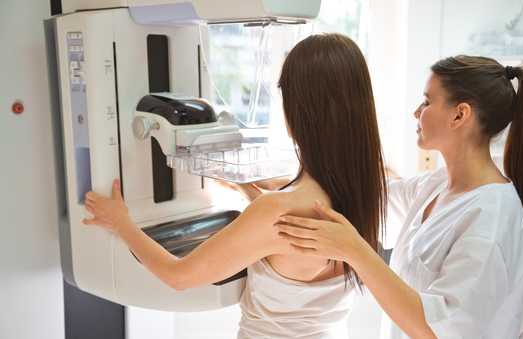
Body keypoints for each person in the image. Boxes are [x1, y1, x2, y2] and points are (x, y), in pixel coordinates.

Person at [82, 33, 387, 339]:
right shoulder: (362, 194)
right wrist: (245, 187)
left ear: (300, 111)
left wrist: (121, 223)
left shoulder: (276, 211)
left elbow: (179, 276)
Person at [276, 56, 523, 339]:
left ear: (459, 115)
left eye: (427, 102)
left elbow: (436, 331)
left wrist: (354, 250)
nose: (417, 112)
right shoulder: (439, 186)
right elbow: (370, 197)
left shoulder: (489, 222)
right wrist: (266, 187)